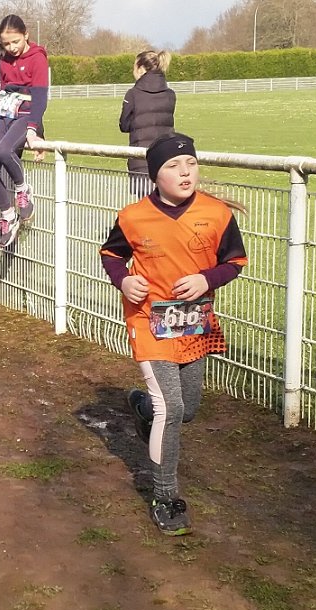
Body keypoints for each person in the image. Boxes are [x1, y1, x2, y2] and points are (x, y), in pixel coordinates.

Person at [99, 133, 248, 536]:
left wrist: (206, 279)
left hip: (193, 323)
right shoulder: (133, 217)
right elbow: (112, 255)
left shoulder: (216, 214)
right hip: (148, 322)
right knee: (172, 409)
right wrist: (124, 280)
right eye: (173, 166)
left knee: (188, 409)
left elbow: (235, 262)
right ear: (154, 175)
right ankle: (165, 497)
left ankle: (142, 409)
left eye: (191, 164)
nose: (185, 172)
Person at [0, 14, 49, 249]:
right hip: (6, 115)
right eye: (6, 43)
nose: (11, 48)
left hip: (26, 116)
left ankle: (23, 189)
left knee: (5, 150)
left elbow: (40, 97)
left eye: (16, 42)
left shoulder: (37, 58)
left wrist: (33, 129)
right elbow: (3, 91)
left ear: (26, 35)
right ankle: (8, 214)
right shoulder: (4, 60)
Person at [119, 50, 176, 197]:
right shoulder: (170, 94)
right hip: (166, 158)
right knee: (166, 204)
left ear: (140, 68)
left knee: (145, 206)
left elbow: (124, 125)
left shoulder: (133, 94)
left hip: (141, 160)